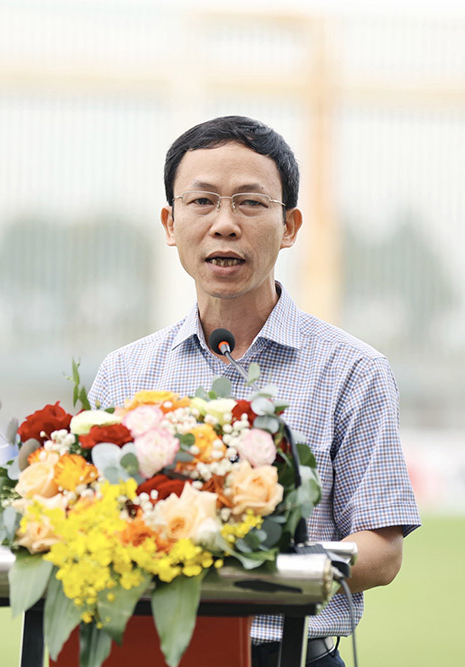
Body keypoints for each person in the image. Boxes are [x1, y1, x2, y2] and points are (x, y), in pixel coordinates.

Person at [89, 116, 421, 667]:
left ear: (289, 226)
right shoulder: (125, 372)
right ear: (170, 223)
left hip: (290, 654)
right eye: (202, 202)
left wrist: (262, 564)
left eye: (249, 203)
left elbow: (382, 552)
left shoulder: (353, 370)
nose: (224, 224)